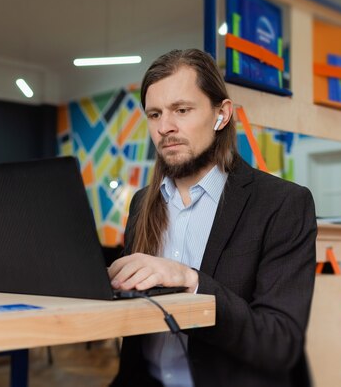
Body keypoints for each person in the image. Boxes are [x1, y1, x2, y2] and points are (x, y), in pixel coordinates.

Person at [108, 49, 317, 387]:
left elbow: (280, 343)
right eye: (155, 114)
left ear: (222, 115)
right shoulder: (141, 204)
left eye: (182, 110)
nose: (165, 127)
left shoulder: (282, 204)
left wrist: (192, 282)